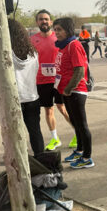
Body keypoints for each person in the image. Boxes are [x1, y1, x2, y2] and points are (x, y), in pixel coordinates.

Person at [31, 9, 76, 151]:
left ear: (50, 21)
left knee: (62, 108)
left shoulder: (59, 37)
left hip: (58, 79)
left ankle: (77, 132)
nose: (43, 21)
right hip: (41, 80)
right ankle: (55, 138)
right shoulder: (32, 40)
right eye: (40, 19)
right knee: (48, 110)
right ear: (37, 22)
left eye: (46, 19)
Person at [53, 17, 94, 169]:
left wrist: (69, 89)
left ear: (68, 30)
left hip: (76, 91)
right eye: (55, 29)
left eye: (60, 29)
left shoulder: (73, 45)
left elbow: (79, 70)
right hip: (67, 91)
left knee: (82, 125)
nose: (56, 33)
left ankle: (87, 157)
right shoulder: (63, 46)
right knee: (76, 124)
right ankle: (79, 150)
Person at [9, 19, 45, 155]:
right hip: (32, 96)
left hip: (13, 99)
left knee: (15, 135)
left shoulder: (6, 54)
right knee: (35, 131)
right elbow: (35, 70)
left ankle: (19, 162)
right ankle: (40, 159)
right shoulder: (33, 53)